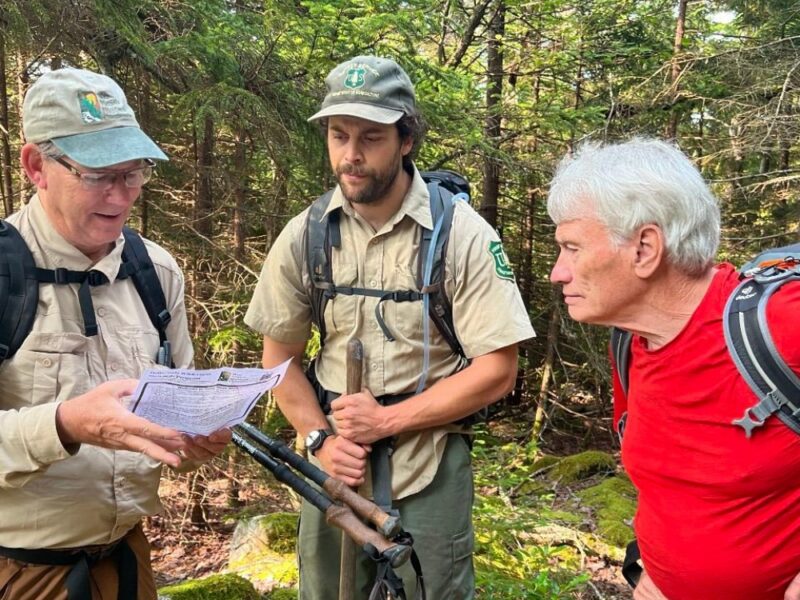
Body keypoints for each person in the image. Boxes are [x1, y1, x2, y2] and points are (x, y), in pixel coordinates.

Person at [245, 55, 534, 599]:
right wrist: (318, 440)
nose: (350, 156)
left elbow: (498, 369)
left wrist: (388, 420)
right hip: (334, 469)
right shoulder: (306, 235)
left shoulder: (461, 234)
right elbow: (277, 359)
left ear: (405, 139)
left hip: (427, 466)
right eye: (338, 136)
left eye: (371, 138)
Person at [0, 67, 230, 600]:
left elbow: (179, 407)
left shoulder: (156, 271)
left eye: (133, 172)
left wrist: (201, 437)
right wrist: (64, 425)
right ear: (36, 165)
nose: (120, 195)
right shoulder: (5, 275)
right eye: (98, 173)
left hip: (127, 559)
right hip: (17, 573)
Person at [547, 138, 800, 600]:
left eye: (572, 248)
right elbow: (673, 482)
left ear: (645, 248)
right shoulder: (630, 341)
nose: (557, 272)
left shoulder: (780, 324)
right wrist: (650, 565)